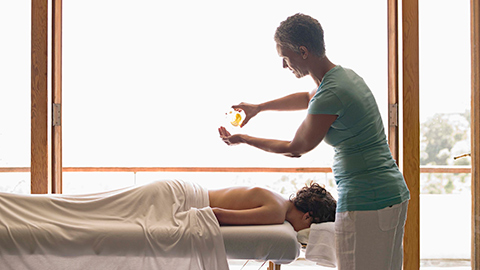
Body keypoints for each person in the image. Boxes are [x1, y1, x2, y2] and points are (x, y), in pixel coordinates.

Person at [218, 13, 410, 270]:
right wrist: (258, 108)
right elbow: (308, 99)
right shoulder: (342, 77)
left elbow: (295, 148)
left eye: (285, 57)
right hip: (386, 193)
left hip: (369, 198)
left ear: (303, 51)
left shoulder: (333, 92)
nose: (285, 66)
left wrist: (243, 139)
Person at [208, 182, 336, 232]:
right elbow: (217, 215)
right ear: (307, 216)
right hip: (191, 201)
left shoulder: (281, 200)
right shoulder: (277, 213)